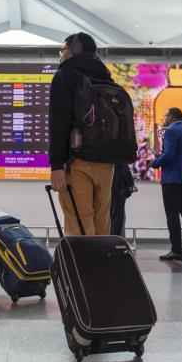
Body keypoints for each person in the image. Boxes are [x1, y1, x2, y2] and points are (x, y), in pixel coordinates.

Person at [48, 32, 115, 236]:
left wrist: (57, 165)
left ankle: (80, 267)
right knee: (102, 220)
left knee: (78, 221)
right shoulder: (106, 77)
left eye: (63, 49)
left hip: (77, 161)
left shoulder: (65, 75)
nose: (62, 54)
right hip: (107, 163)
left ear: (74, 49)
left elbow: (58, 121)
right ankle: (102, 266)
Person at [152, 108, 182, 261]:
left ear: (172, 117)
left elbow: (169, 154)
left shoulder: (170, 131)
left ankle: (176, 251)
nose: (164, 118)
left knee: (172, 215)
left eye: (166, 115)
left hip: (172, 179)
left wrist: (155, 162)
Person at [109, 162, 136, 237]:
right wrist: (131, 184)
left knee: (110, 217)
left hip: (108, 190)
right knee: (118, 219)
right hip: (119, 191)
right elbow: (124, 170)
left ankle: (110, 240)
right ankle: (115, 241)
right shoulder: (120, 157)